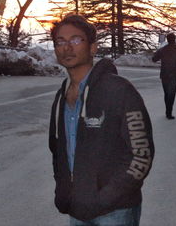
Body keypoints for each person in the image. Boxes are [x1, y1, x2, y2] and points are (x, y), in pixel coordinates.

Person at [48, 14, 154, 226]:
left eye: (76, 40)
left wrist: (104, 198)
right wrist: (63, 191)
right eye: (60, 41)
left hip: (115, 212)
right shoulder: (61, 97)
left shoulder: (119, 91)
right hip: (77, 210)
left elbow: (141, 154)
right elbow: (58, 151)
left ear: (93, 48)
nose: (67, 47)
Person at [152, 33, 176, 119]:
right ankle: (169, 112)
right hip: (175, 74)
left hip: (165, 74)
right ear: (174, 39)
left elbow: (154, 59)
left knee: (166, 93)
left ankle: (167, 111)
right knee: (172, 94)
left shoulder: (162, 50)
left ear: (167, 39)